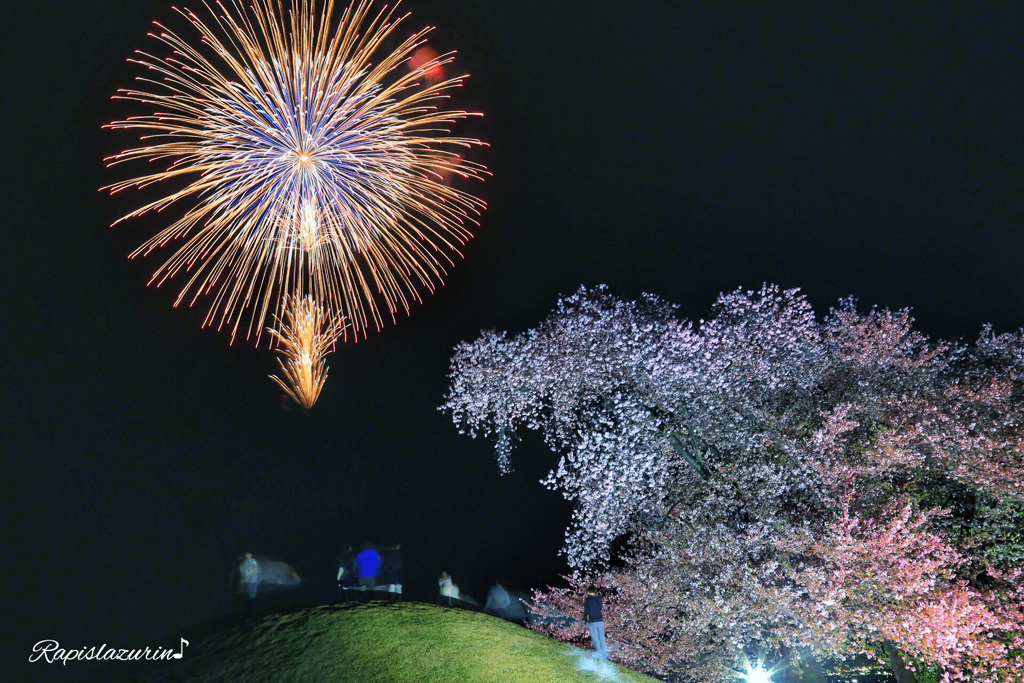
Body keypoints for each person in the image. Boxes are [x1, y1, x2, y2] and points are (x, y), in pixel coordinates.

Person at [584, 587, 607, 659]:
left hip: (592, 621)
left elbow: (586, 612)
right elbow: (600, 608)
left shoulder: (587, 601)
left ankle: (599, 652)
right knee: (602, 637)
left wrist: (585, 617)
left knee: (595, 637)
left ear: (588, 592)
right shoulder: (599, 599)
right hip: (600, 620)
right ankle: (604, 653)